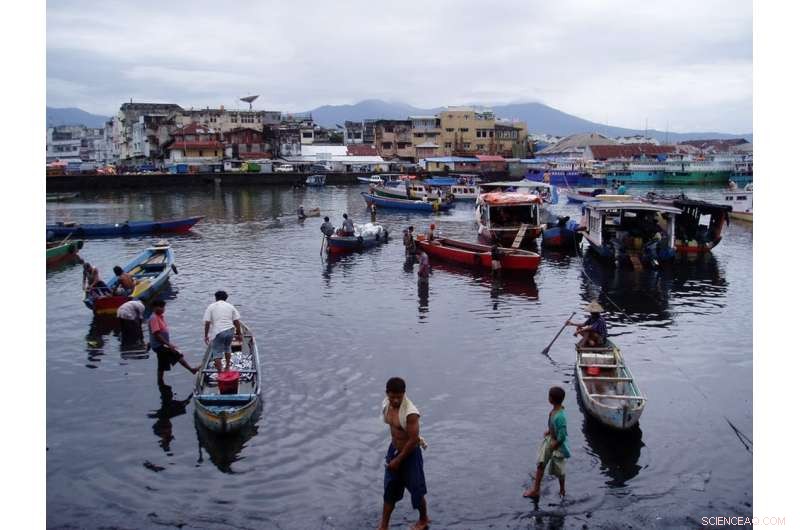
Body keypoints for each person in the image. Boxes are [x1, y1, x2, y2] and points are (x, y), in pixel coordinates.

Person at [379, 377, 430, 530]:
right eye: (392, 396)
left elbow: (413, 440)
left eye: (399, 397)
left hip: (410, 454)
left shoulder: (410, 413)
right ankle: (384, 526)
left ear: (404, 394)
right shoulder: (386, 405)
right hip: (394, 450)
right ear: (387, 393)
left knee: (416, 490)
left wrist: (398, 461)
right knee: (389, 489)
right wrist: (393, 458)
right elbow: (394, 431)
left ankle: (423, 519)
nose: (395, 400)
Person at [523, 386, 571, 502]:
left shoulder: (560, 416)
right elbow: (553, 425)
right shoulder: (554, 411)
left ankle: (562, 490)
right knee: (541, 463)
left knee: (560, 470)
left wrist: (556, 443)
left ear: (551, 399)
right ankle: (536, 489)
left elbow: (563, 434)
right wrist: (549, 431)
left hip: (558, 446)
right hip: (551, 441)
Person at [148, 300, 198, 386]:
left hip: (161, 344)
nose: (163, 309)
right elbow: (156, 334)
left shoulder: (159, 317)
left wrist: (170, 343)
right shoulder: (154, 318)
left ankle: (160, 381)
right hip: (159, 345)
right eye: (160, 307)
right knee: (175, 355)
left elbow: (161, 333)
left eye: (163, 307)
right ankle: (191, 370)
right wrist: (168, 345)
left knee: (164, 362)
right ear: (154, 307)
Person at [203, 290, 243, 372]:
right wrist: (239, 334)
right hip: (230, 330)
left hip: (218, 331)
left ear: (216, 298)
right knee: (227, 348)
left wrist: (206, 335)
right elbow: (236, 322)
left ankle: (220, 372)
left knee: (217, 353)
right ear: (226, 298)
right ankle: (227, 367)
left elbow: (207, 322)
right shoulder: (230, 306)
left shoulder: (211, 306)